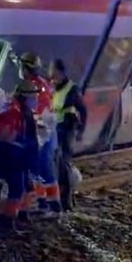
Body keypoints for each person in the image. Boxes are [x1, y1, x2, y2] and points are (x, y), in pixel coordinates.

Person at [0, 79, 40, 231]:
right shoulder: (12, 112)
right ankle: (8, 219)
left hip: (22, 156)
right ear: (25, 97)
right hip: (12, 156)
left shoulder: (25, 112)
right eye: (33, 97)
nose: (35, 100)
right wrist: (20, 140)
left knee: (26, 185)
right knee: (17, 188)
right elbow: (2, 135)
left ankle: (22, 214)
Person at [20, 52, 61, 213]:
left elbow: (39, 111)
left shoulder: (38, 87)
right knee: (35, 168)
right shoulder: (33, 84)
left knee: (44, 167)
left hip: (43, 133)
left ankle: (54, 205)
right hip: (37, 133)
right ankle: (42, 202)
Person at [50, 59, 87, 211]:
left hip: (67, 129)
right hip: (53, 129)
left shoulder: (72, 89)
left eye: (52, 69)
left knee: (64, 164)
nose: (50, 72)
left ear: (59, 71)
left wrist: (81, 131)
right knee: (56, 164)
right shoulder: (53, 87)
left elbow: (83, 110)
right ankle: (60, 198)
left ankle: (67, 200)